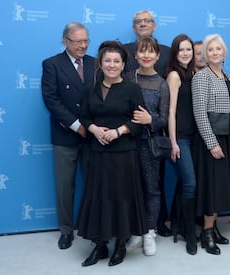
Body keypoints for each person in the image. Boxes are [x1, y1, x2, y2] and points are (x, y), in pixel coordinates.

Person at [76, 41, 146, 267]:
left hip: (123, 154)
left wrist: (119, 131)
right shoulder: (90, 89)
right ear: (100, 63)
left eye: (117, 61)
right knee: (99, 198)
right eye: (108, 60)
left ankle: (120, 245)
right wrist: (94, 129)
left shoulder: (132, 88)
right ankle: (100, 245)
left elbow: (139, 122)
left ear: (123, 64)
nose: (112, 65)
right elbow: (85, 117)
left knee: (121, 198)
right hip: (97, 153)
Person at [41, 22, 94, 250]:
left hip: (93, 136)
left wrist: (91, 127)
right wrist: (76, 125)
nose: (83, 46)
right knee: (65, 187)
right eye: (77, 41)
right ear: (65, 41)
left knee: (94, 184)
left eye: (86, 41)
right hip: (65, 136)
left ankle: (94, 227)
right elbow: (51, 99)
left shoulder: (96, 63)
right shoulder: (52, 64)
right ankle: (65, 230)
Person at [192, 34, 230, 255]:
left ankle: (212, 228)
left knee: (221, 185)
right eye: (210, 50)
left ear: (224, 52)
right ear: (205, 54)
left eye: (218, 49)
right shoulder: (201, 77)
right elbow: (199, 113)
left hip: (228, 135)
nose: (214, 53)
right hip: (211, 139)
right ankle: (207, 233)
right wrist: (212, 143)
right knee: (212, 186)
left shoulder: (226, 76)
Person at [124, 10, 172, 237]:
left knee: (155, 183)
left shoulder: (168, 53)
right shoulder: (123, 52)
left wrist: (152, 121)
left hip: (154, 137)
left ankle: (156, 224)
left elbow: (167, 104)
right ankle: (131, 228)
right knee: (129, 185)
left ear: (154, 25)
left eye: (147, 21)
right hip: (126, 135)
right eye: (138, 22)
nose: (143, 24)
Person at [166, 34, 198, 255]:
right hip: (182, 139)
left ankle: (176, 222)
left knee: (184, 181)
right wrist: (173, 142)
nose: (185, 53)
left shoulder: (194, 73)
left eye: (189, 49)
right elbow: (171, 111)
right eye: (181, 50)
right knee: (190, 184)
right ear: (175, 53)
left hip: (196, 137)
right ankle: (189, 234)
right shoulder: (175, 75)